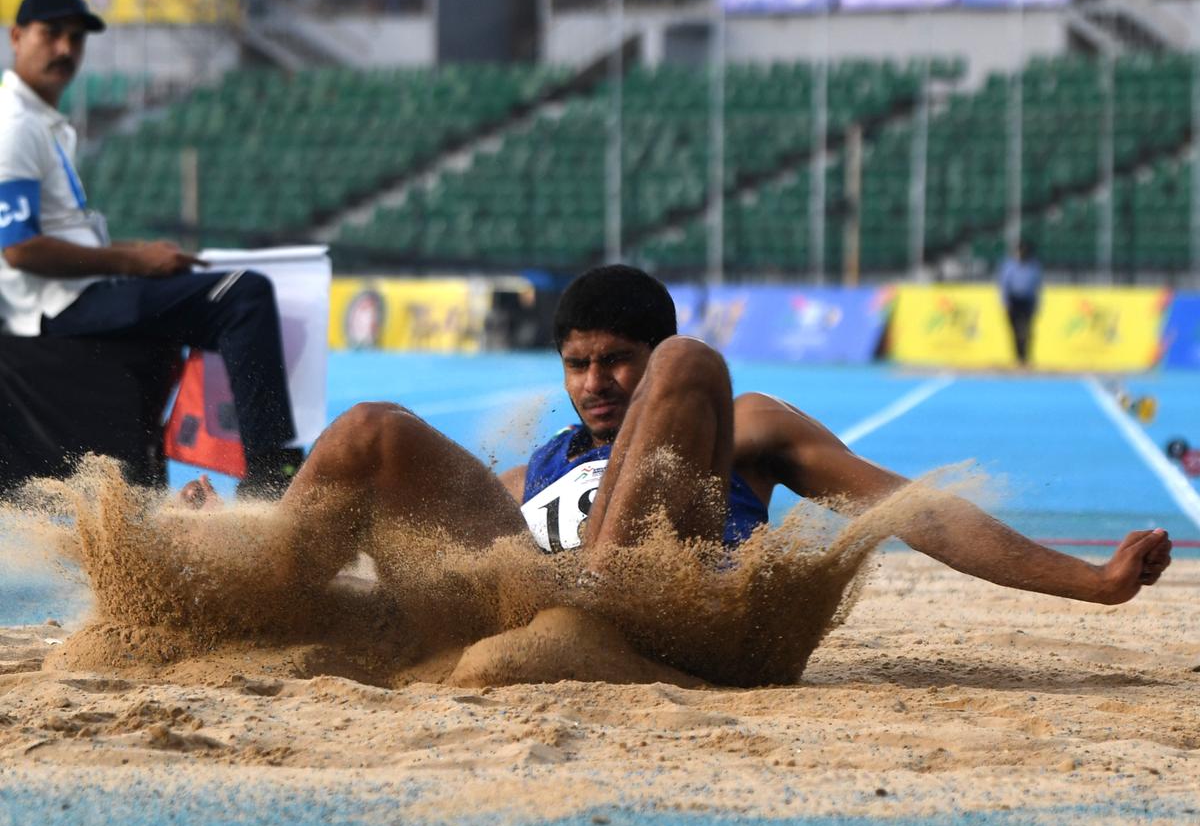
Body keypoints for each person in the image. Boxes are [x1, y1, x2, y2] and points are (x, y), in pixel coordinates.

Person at [186, 264, 1171, 610]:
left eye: (617, 362)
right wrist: (246, 531)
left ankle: (592, 589)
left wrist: (1090, 580)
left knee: (699, 358)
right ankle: (250, 596)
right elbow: (411, 526)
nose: (594, 384)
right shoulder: (545, 459)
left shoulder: (738, 423)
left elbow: (915, 512)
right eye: (576, 365)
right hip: (530, 602)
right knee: (369, 429)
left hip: (654, 603)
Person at [0, 0, 300, 494]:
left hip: (81, 293)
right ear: (16, 36)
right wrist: (134, 262)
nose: (65, 49)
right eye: (51, 35)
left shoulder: (42, 124)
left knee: (207, 290)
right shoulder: (15, 125)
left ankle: (158, 486)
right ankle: (273, 477)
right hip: (59, 307)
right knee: (242, 296)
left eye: (76, 39)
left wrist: (132, 257)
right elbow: (19, 248)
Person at [999, 239, 1042, 365]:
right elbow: (1004, 285)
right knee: (1015, 331)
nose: (1020, 253)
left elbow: (1037, 286)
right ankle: (1018, 358)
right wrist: (1005, 301)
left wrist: (1037, 303)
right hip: (1014, 301)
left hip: (1027, 301)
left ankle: (1026, 357)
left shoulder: (1033, 266)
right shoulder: (1009, 266)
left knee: (1027, 330)